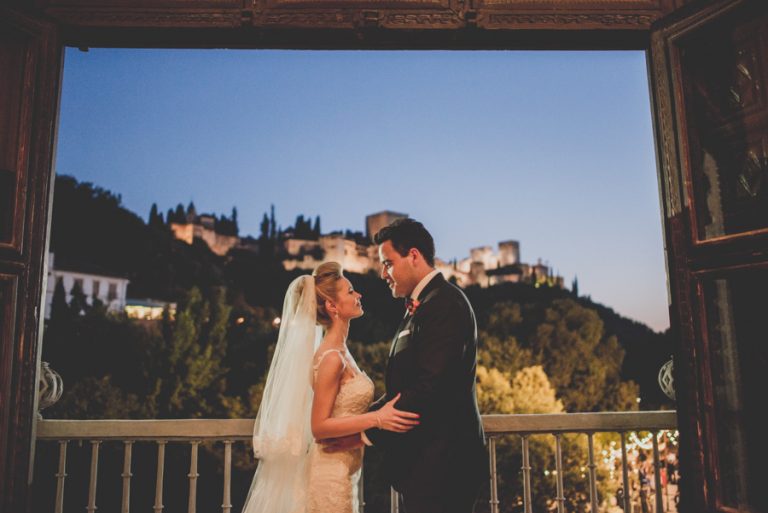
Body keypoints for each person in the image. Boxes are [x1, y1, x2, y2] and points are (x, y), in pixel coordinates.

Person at [324, 218, 489, 513]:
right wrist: (363, 420)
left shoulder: (445, 304)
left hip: (444, 467)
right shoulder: (422, 305)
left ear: (413, 255)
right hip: (425, 465)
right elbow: (402, 389)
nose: (383, 273)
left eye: (388, 263)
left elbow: (429, 388)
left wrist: (363, 433)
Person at [242, 261, 419, 513]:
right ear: (332, 306)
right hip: (328, 476)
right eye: (351, 291)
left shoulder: (342, 351)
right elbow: (319, 426)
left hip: (345, 469)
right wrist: (378, 419)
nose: (359, 295)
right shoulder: (331, 358)